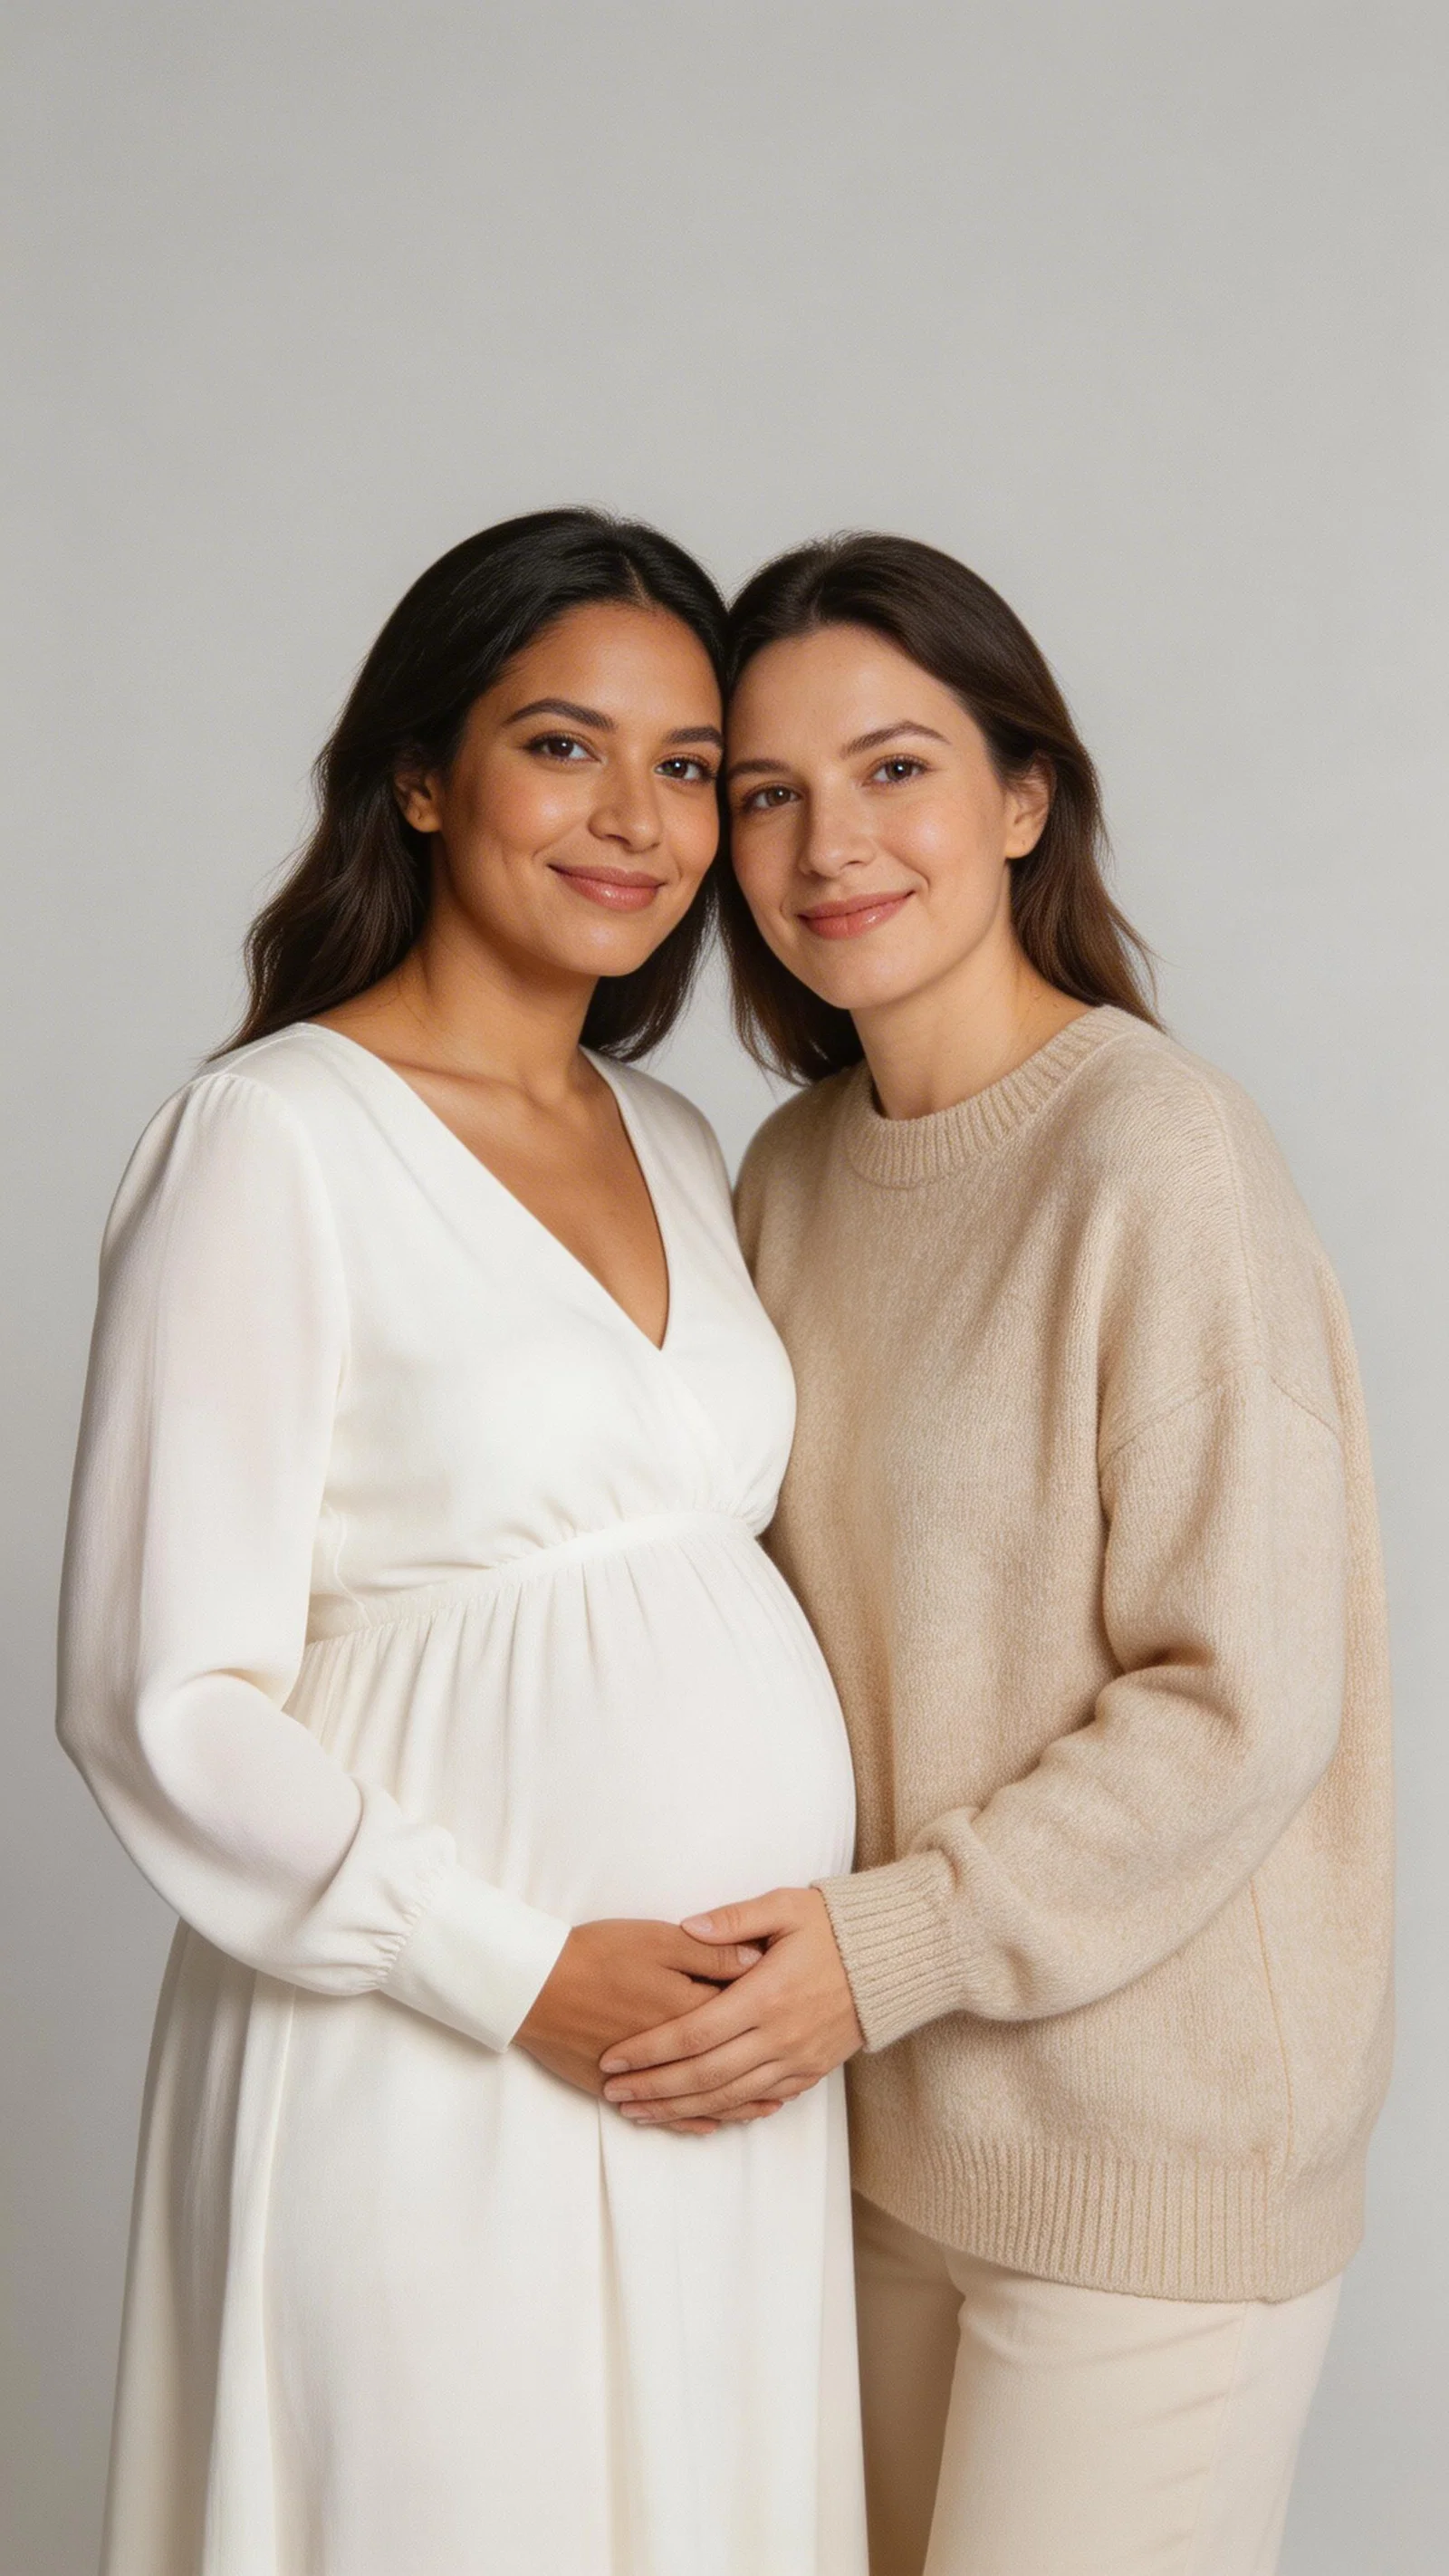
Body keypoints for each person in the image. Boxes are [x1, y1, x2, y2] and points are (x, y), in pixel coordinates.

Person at [58, 509, 866, 2576]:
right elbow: (158, 1696)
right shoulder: (275, 1138)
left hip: (715, 2080)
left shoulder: (677, 1142)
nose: (637, 821)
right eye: (561, 746)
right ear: (422, 776)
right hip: (428, 2050)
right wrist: (514, 1976)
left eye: (687, 767)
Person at [598, 533, 1394, 2576]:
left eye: (894, 770)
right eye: (764, 793)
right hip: (866, 2137)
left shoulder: (1155, 1151)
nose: (826, 847)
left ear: (1025, 797)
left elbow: (1240, 1700)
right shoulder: (784, 1176)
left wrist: (885, 1951)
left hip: (1141, 2152)